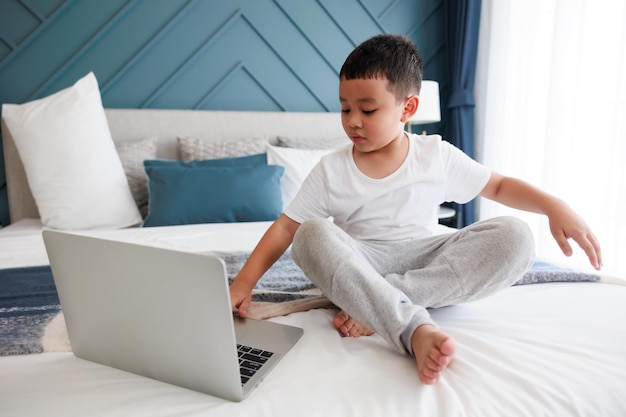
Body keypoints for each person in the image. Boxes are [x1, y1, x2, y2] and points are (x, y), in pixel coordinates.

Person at [229, 34, 602, 385]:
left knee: (516, 236)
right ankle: (411, 327)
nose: (352, 120)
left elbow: (499, 186)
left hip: (424, 259)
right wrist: (244, 283)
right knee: (312, 233)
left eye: (368, 109)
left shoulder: (434, 154)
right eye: (344, 108)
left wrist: (554, 206)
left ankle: (375, 301)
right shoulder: (331, 169)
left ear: (407, 107)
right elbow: (286, 228)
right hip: (361, 260)